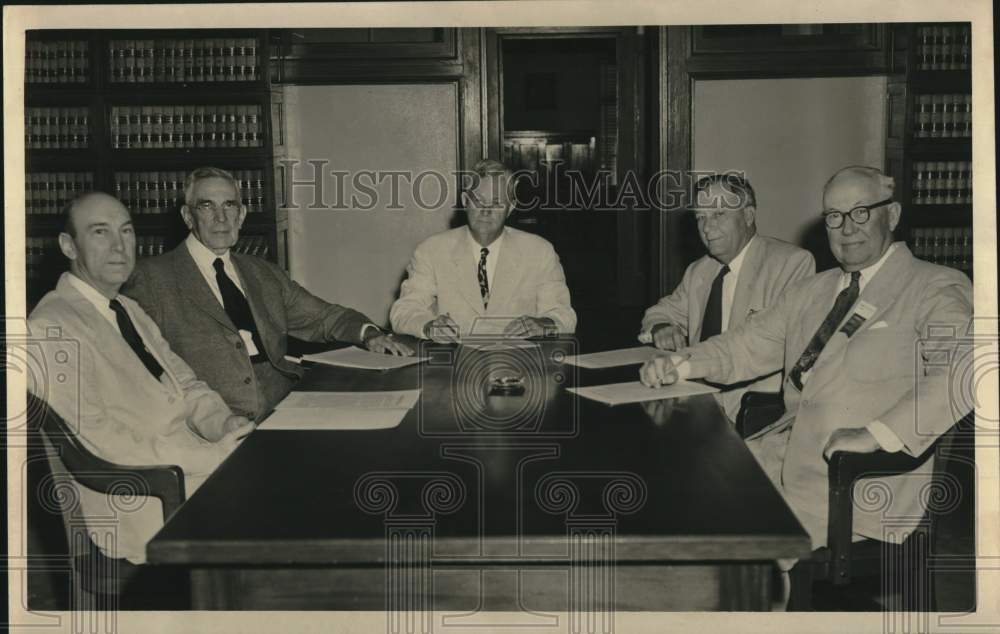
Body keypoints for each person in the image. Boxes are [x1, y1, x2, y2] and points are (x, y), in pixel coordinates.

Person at [639, 166, 973, 551]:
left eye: (861, 211)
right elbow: (746, 344)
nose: (847, 228)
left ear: (892, 215)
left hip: (855, 483)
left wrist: (879, 434)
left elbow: (963, 369)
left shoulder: (934, 285)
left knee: (718, 548)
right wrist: (679, 364)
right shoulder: (813, 290)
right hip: (779, 457)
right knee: (670, 504)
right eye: (834, 216)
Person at [27, 192, 253, 564]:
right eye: (100, 232)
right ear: (69, 245)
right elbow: (103, 441)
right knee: (284, 509)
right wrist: (208, 455)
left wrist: (223, 423)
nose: (119, 246)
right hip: (142, 498)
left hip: (183, 471)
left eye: (126, 231)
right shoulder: (51, 325)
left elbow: (188, 385)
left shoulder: (126, 307)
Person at [124, 167, 412, 421]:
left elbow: (325, 317)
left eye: (229, 206)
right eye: (206, 206)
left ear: (242, 214)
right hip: (214, 420)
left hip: (285, 403)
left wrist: (369, 334)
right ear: (188, 216)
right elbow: (137, 370)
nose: (221, 218)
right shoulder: (151, 278)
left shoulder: (263, 273)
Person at [638, 173, 814, 421]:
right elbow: (660, 312)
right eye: (701, 217)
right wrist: (662, 326)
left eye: (719, 214)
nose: (707, 228)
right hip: (692, 394)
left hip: (749, 409)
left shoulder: (790, 263)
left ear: (748, 216)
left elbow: (768, 346)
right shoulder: (701, 270)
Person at [390, 159, 577, 341]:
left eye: (496, 203)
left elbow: (564, 316)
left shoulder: (539, 251)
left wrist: (545, 323)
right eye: (478, 201)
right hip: (453, 365)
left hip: (520, 364)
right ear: (465, 201)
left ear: (510, 208)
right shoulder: (431, 250)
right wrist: (428, 327)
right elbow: (403, 311)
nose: (486, 210)